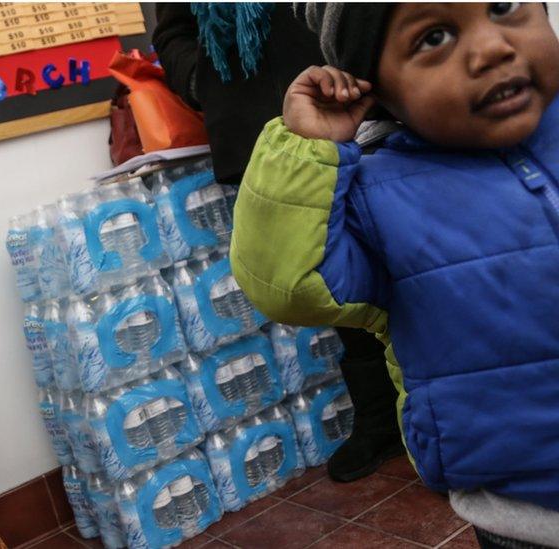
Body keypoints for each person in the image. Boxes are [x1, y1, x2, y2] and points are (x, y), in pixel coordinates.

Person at [231, 3, 559, 547]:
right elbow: (288, 285)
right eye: (434, 38)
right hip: (527, 516)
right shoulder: (374, 199)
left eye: (502, 5)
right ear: (374, 89)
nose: (493, 48)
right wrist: (308, 148)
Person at [153, 3, 403, 483]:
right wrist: (203, 83)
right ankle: (380, 421)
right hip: (260, 119)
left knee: (402, 254)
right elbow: (174, 34)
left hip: (352, 95)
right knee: (325, 273)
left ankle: (436, 405)